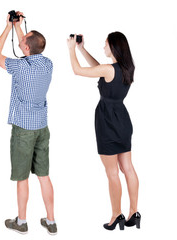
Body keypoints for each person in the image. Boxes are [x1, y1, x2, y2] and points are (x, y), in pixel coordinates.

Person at [0, 11, 56, 235]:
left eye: (23, 39)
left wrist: (8, 27)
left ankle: (22, 221)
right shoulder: (47, 64)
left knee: (22, 177)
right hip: (42, 127)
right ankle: (51, 220)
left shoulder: (20, 67)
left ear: (26, 47)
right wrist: (19, 26)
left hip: (23, 130)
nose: (21, 39)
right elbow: (30, 47)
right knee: (44, 175)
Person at [67, 32, 140, 231]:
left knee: (112, 173)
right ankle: (134, 212)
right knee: (128, 168)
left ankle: (117, 215)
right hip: (123, 121)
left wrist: (72, 49)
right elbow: (99, 69)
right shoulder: (125, 68)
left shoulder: (108, 69)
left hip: (107, 123)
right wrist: (82, 49)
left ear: (114, 47)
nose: (103, 47)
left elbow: (77, 70)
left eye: (106, 44)